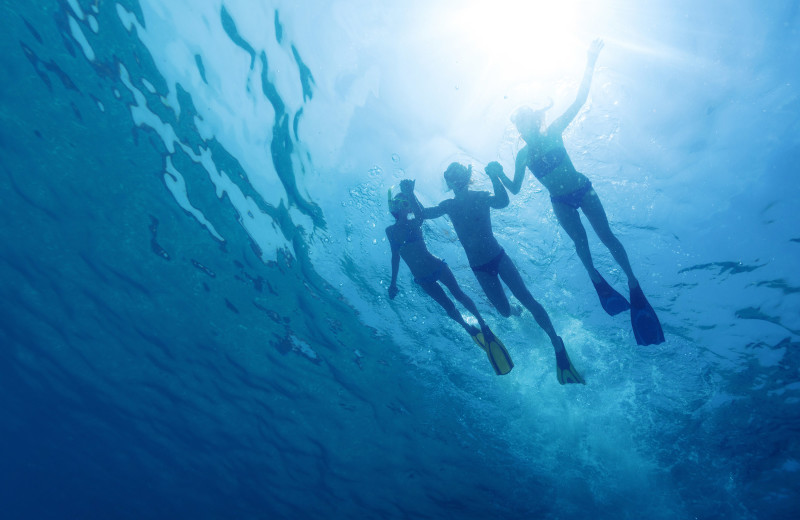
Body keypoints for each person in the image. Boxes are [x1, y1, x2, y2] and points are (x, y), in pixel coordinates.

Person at [498, 39, 664, 346]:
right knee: (580, 242)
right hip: (559, 201)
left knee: (607, 236)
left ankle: (632, 281)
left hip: (582, 189)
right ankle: (595, 277)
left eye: (524, 121)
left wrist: (589, 61)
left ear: (535, 119)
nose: (523, 128)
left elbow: (580, 99)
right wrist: (499, 176)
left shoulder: (554, 130)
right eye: (518, 125)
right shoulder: (522, 155)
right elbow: (516, 189)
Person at [415, 162, 584, 385]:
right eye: (451, 176)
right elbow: (424, 214)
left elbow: (503, 202)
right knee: (504, 311)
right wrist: (410, 195)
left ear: (466, 177)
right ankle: (516, 311)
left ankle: (556, 341)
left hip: (498, 257)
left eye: (458, 174)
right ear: (449, 181)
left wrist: (495, 177)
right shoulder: (449, 205)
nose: (456, 179)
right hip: (479, 268)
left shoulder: (481, 196)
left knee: (527, 297)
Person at [386, 179, 513, 375]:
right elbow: (395, 257)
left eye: (407, 204)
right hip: (422, 278)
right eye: (400, 203)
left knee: (459, 294)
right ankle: (467, 327)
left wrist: (411, 193)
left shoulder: (414, 222)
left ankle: (482, 323)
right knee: (448, 306)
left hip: (437, 266)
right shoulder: (391, 231)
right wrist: (393, 283)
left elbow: (422, 215)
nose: (405, 206)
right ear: (393, 207)